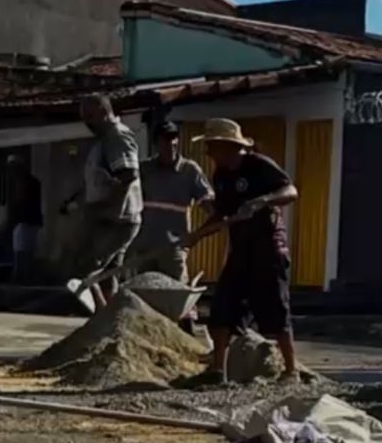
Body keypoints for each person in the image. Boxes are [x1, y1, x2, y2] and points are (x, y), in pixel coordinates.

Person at [193, 118, 299, 384]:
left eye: (211, 146)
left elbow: (290, 190)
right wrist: (195, 236)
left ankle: (291, 371)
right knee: (223, 307)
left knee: (276, 308)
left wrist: (261, 201)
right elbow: (221, 214)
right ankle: (218, 371)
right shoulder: (220, 176)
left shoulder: (258, 165)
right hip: (241, 249)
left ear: (227, 146)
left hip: (268, 247)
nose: (208, 153)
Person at [65, 93, 143, 309]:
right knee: (109, 273)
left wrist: (106, 207)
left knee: (88, 266)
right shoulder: (104, 140)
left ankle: (102, 314)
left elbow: (128, 175)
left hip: (115, 219)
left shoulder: (116, 136)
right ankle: (111, 315)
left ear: (103, 112)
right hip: (109, 217)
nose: (86, 123)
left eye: (89, 116)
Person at [130, 120, 214, 284]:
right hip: (145, 248)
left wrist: (197, 234)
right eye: (165, 139)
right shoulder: (145, 170)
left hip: (173, 248)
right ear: (156, 144)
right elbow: (129, 202)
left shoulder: (189, 170)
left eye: (174, 138)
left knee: (176, 293)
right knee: (146, 294)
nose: (171, 143)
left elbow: (210, 206)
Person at [5, 155, 43, 283]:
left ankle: (20, 281)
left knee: (21, 255)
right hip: (32, 222)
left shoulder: (21, 182)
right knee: (28, 254)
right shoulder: (33, 181)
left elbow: (19, 203)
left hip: (24, 222)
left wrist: (10, 221)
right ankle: (27, 280)